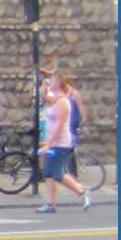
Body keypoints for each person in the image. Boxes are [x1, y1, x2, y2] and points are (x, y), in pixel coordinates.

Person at [36, 72, 90, 213]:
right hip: (53, 141)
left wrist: (48, 144)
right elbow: (46, 100)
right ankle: (50, 203)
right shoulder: (56, 99)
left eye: (52, 80)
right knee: (48, 172)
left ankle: (82, 193)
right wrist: (42, 91)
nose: (50, 82)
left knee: (57, 173)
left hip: (60, 143)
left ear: (58, 83)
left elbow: (59, 125)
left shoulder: (63, 102)